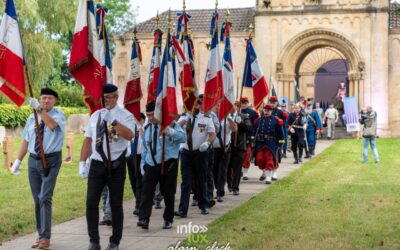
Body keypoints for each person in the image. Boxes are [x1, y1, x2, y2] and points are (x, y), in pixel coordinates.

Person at [79, 84, 135, 250]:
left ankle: (114, 241)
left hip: (116, 164)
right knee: (91, 202)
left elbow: (129, 135)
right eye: (105, 98)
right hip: (97, 164)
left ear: (117, 97)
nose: (108, 100)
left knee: (116, 204)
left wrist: (112, 121)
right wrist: (82, 162)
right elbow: (88, 139)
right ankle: (94, 241)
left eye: (111, 97)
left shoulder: (125, 115)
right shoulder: (96, 115)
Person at [11, 88, 65, 250]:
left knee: (44, 197)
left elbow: (52, 125)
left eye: (49, 98)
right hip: (33, 161)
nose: (45, 101)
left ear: (54, 100)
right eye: (43, 98)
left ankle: (45, 237)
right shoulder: (31, 117)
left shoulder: (59, 114)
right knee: (37, 200)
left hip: (51, 160)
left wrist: (39, 110)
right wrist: (18, 161)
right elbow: (26, 141)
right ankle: (41, 234)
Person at [137, 101, 186, 230]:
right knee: (146, 192)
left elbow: (183, 137)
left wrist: (169, 131)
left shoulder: (171, 124)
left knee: (168, 193)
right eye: (148, 115)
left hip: (169, 163)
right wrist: (143, 164)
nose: (151, 118)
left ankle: (168, 219)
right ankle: (144, 218)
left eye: (153, 114)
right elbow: (146, 148)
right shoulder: (148, 128)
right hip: (151, 163)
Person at [175, 98, 216, 217]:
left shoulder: (206, 118)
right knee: (186, 182)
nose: (196, 106)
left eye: (198, 104)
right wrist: (185, 120)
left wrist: (208, 143)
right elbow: (176, 128)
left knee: (201, 179)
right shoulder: (185, 117)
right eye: (194, 104)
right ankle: (183, 210)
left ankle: (204, 205)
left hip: (200, 152)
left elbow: (212, 133)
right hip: (186, 153)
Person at [253, 104, 284, 184]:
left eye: (268, 111)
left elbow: (281, 133)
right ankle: (264, 171)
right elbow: (254, 131)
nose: (266, 112)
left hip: (271, 142)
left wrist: (280, 144)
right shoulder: (259, 120)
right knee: (259, 159)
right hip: (260, 142)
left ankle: (268, 177)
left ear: (272, 111)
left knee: (269, 160)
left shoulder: (276, 120)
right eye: (265, 110)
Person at [227, 103, 252, 195]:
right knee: (227, 167)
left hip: (239, 146)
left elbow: (249, 128)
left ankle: (235, 187)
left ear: (238, 107)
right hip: (227, 145)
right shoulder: (225, 116)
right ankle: (229, 184)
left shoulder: (244, 116)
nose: (233, 108)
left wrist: (240, 122)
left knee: (237, 168)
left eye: (236, 106)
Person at [212, 109, 237, 202]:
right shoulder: (211, 117)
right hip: (213, 148)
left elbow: (234, 129)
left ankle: (220, 192)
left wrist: (229, 118)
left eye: (220, 106)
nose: (218, 108)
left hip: (225, 149)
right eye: (217, 106)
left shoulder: (227, 119)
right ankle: (217, 186)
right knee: (214, 171)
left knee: (222, 170)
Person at [127, 113, 146, 216]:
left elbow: (144, 139)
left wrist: (140, 126)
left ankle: (139, 205)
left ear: (142, 120)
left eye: (138, 120)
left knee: (140, 182)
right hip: (131, 157)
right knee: (133, 181)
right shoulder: (131, 129)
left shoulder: (144, 128)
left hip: (142, 157)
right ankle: (139, 201)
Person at [240, 97, 258, 180]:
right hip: (238, 137)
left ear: (248, 103)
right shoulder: (236, 111)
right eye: (242, 102)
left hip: (248, 137)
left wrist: (253, 136)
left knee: (247, 155)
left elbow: (255, 125)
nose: (243, 104)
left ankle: (245, 172)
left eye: (245, 102)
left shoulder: (252, 112)